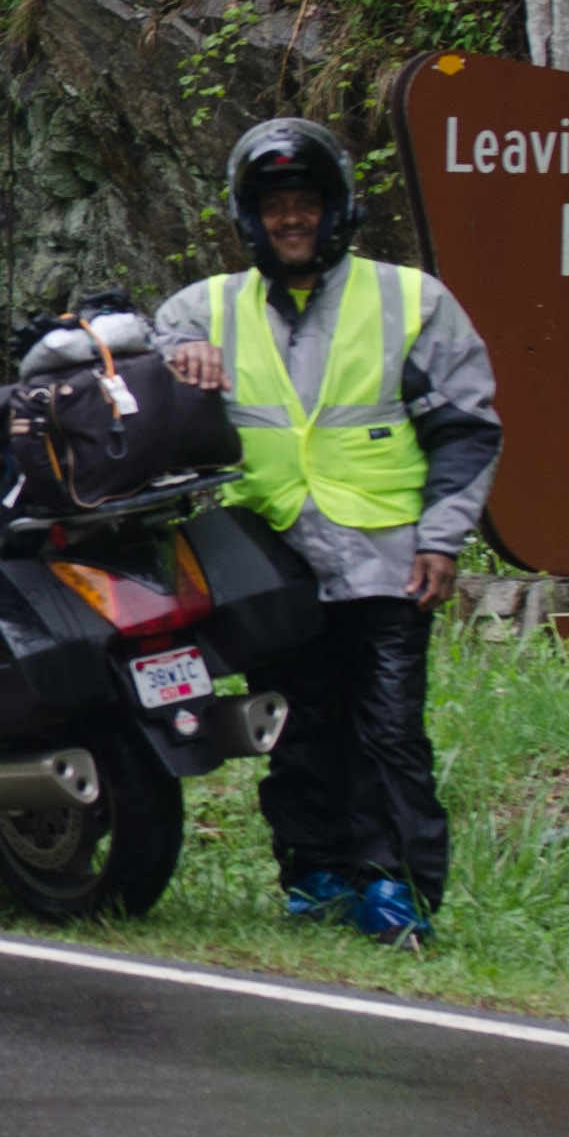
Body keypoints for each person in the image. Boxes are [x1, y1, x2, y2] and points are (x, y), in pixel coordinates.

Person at [158, 119, 500, 946]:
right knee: (301, 721)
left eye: (306, 201)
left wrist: (444, 537)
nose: (291, 219)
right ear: (250, 216)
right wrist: (183, 356)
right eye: (275, 205)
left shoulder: (411, 299)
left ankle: (395, 889)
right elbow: (139, 349)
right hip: (270, 559)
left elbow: (467, 427)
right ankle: (313, 871)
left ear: (337, 207)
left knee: (386, 727)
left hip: (388, 556)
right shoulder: (208, 305)